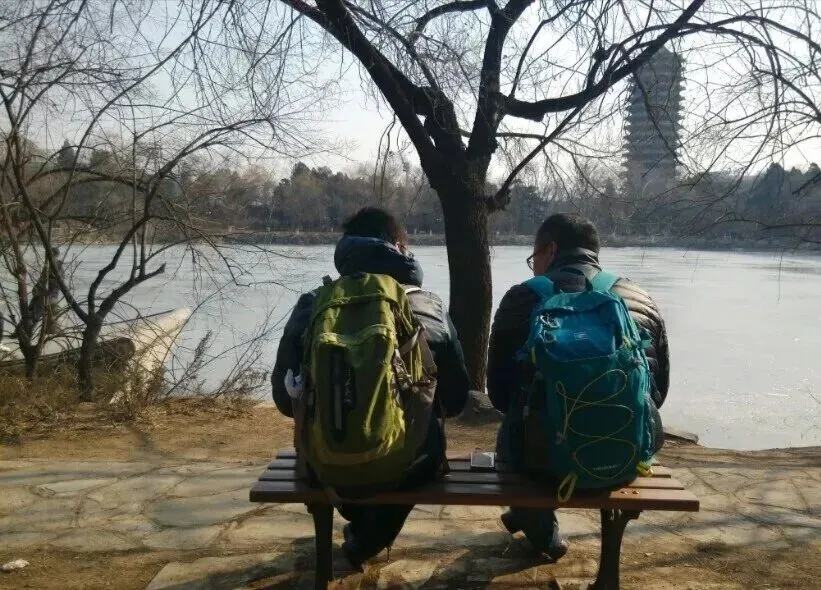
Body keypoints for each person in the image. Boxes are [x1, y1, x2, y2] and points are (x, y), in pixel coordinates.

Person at [271, 207, 470, 569]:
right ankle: (367, 539)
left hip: (324, 463)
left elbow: (285, 399)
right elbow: (456, 399)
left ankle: (363, 530)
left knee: (356, 466)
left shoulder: (314, 303)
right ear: (399, 247)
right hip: (409, 466)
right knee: (415, 451)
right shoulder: (427, 304)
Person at [487, 213, 670, 561]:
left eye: (534, 258)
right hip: (623, 461)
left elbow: (498, 393)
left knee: (512, 438)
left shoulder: (521, 298)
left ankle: (545, 536)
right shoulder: (639, 297)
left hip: (541, 468)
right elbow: (657, 393)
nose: (534, 267)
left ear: (550, 250)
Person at [13, 247, 64, 339]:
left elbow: (47, 282)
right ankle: (20, 333)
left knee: (33, 315)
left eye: (48, 254)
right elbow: (45, 281)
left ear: (51, 255)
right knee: (32, 314)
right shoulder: (55, 266)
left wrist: (38, 290)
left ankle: (22, 334)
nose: (45, 256)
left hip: (46, 296)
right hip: (49, 296)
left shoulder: (53, 267)